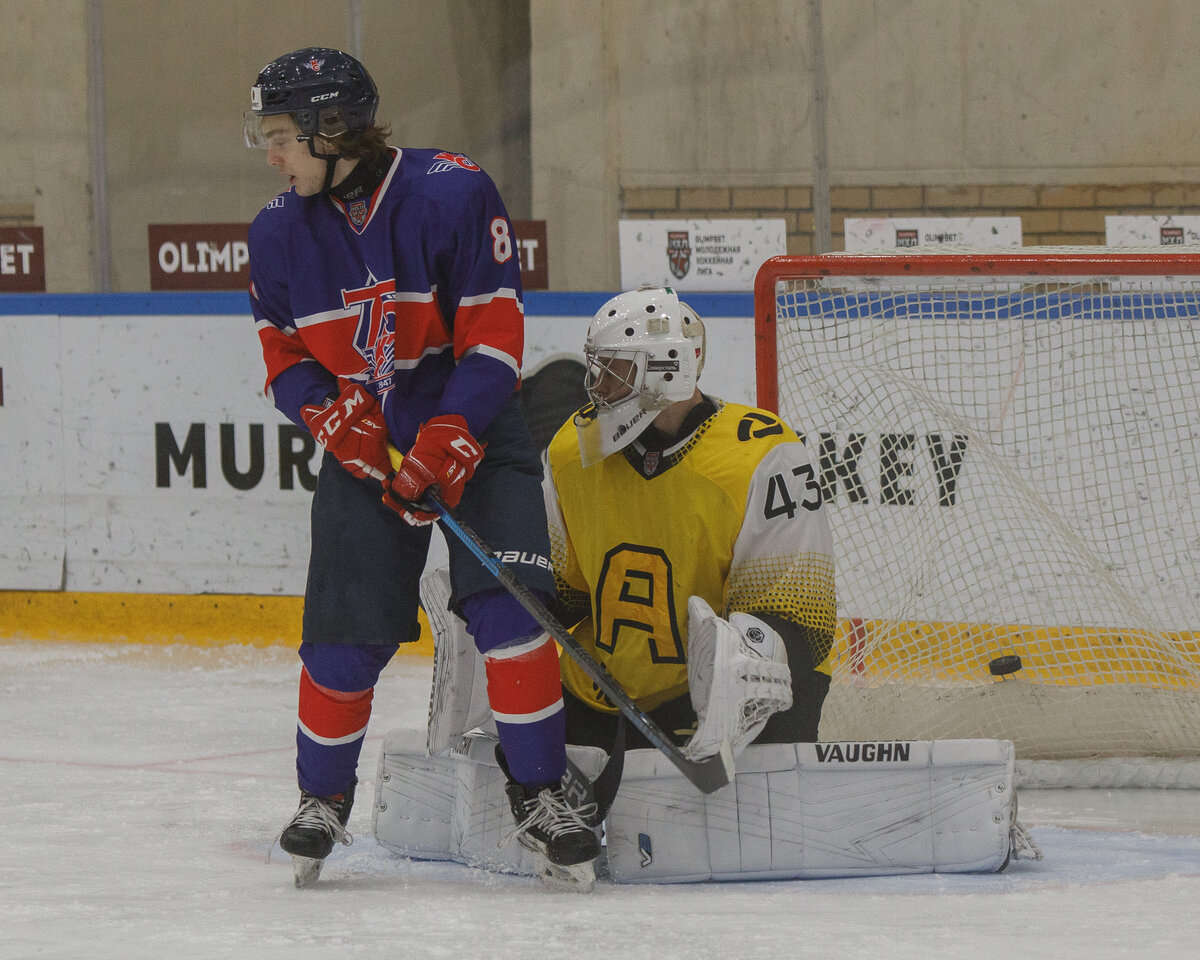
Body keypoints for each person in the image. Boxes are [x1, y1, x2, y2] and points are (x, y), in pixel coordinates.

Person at [243, 47, 598, 887]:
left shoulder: (453, 190)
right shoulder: (275, 232)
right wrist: (337, 420)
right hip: (366, 451)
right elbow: (284, 355)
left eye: (285, 136)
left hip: (475, 433)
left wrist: (446, 444)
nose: (272, 154)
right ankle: (321, 800)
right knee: (342, 638)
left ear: (335, 130)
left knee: (514, 615)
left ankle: (540, 793)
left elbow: (493, 337)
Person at [542, 286, 836, 757]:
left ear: (667, 368)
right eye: (598, 368)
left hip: (730, 699)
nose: (599, 387)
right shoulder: (572, 452)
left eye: (616, 370)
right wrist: (501, 616)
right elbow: (566, 594)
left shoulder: (761, 453)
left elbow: (800, 619)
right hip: (599, 692)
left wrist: (732, 692)